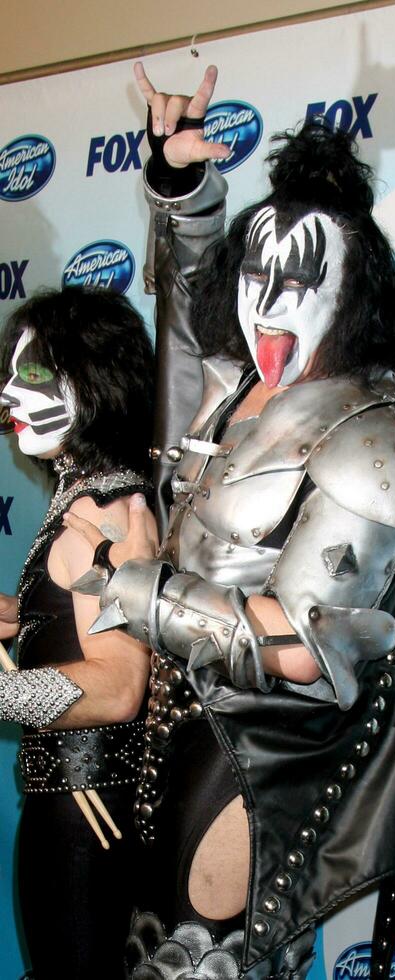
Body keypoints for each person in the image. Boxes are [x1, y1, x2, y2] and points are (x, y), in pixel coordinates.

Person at [68, 65, 395, 980]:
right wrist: (183, 193)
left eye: (300, 279)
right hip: (168, 734)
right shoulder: (235, 399)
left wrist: (137, 589)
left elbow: (307, 648)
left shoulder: (377, 441)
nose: (269, 299)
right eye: (256, 271)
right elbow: (188, 332)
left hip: (254, 756)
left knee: (205, 960)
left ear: (356, 294)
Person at [0, 287, 158, 980]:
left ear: (94, 381)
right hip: (70, 814)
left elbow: (120, 687)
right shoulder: (95, 496)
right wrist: (25, 619)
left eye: (32, 373)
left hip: (84, 824)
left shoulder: (106, 511)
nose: (8, 390)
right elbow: (81, 630)